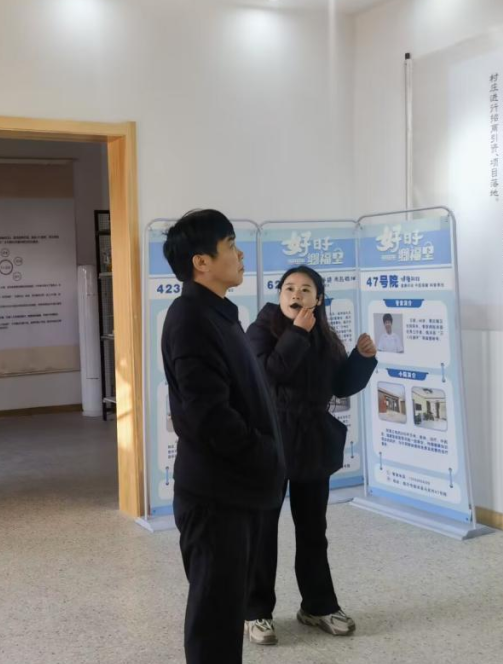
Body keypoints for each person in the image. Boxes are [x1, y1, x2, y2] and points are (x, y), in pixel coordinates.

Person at [161, 209, 286, 664]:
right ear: (202, 262)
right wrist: (265, 453)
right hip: (217, 498)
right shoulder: (191, 319)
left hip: (235, 490)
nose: (239, 254)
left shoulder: (215, 313)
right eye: (230, 245)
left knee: (226, 611)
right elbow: (210, 417)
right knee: (215, 623)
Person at [243, 265, 377, 645]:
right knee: (263, 532)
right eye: (289, 288)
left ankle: (318, 606)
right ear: (279, 294)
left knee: (313, 531)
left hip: (311, 443)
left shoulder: (324, 336)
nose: (296, 295)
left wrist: (361, 359)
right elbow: (268, 374)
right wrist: (297, 333)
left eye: (305, 289)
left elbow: (340, 386)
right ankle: (255, 612)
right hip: (269, 443)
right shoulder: (261, 329)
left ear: (318, 299)